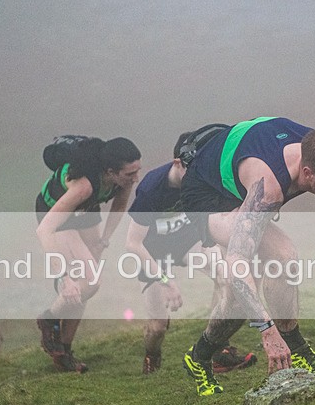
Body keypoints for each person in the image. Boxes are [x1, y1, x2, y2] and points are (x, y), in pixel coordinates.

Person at [179, 117, 315, 395]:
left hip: (242, 175)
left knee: (258, 281)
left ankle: (200, 356)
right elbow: (236, 263)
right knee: (266, 268)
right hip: (207, 193)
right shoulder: (268, 189)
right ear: (308, 173)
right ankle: (293, 346)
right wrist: (267, 331)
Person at [125, 131, 257, 374]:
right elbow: (133, 244)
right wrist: (165, 281)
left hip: (189, 243)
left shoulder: (202, 178)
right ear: (178, 163)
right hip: (154, 254)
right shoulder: (151, 189)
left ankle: (217, 348)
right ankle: (151, 356)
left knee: (225, 275)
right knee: (157, 328)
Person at [35, 137, 141, 373]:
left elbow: (119, 206)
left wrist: (104, 239)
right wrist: (64, 276)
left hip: (85, 211)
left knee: (87, 285)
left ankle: (64, 350)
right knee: (88, 282)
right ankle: (49, 319)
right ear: (111, 171)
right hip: (56, 215)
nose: (135, 178)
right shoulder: (84, 185)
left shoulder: (121, 178)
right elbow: (44, 229)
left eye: (138, 171)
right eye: (130, 174)